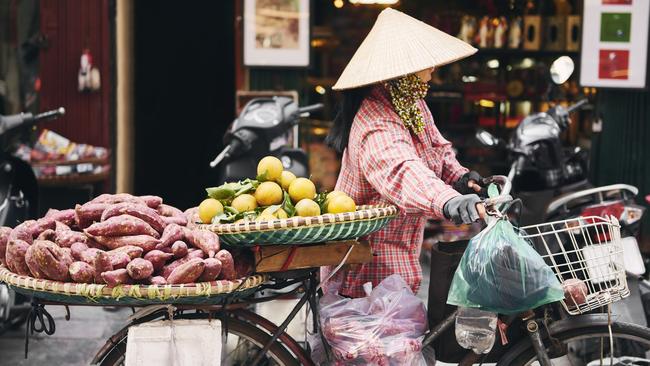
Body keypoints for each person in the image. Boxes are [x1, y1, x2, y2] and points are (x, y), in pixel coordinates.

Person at [323, 8, 485, 298]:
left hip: (397, 259)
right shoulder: (375, 122)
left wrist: (460, 179)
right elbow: (402, 170)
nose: (433, 68)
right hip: (366, 268)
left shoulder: (411, 105)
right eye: (425, 62)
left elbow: (437, 150)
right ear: (403, 71)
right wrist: (446, 200)